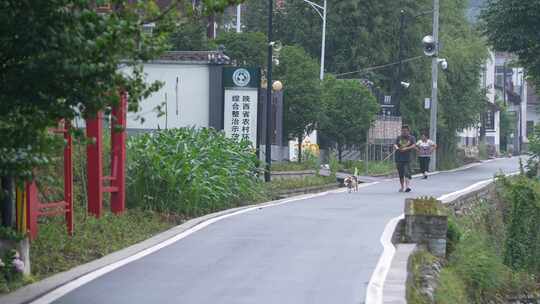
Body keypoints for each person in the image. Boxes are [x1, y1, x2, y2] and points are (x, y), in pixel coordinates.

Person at [394, 125, 416, 192]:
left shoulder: (412, 138)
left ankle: (407, 187)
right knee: (401, 173)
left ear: (408, 131)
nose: (404, 132)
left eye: (405, 131)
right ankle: (402, 187)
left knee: (407, 172)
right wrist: (397, 148)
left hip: (408, 158)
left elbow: (414, 145)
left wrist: (406, 148)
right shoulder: (398, 138)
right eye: (403, 131)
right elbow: (395, 144)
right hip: (399, 157)